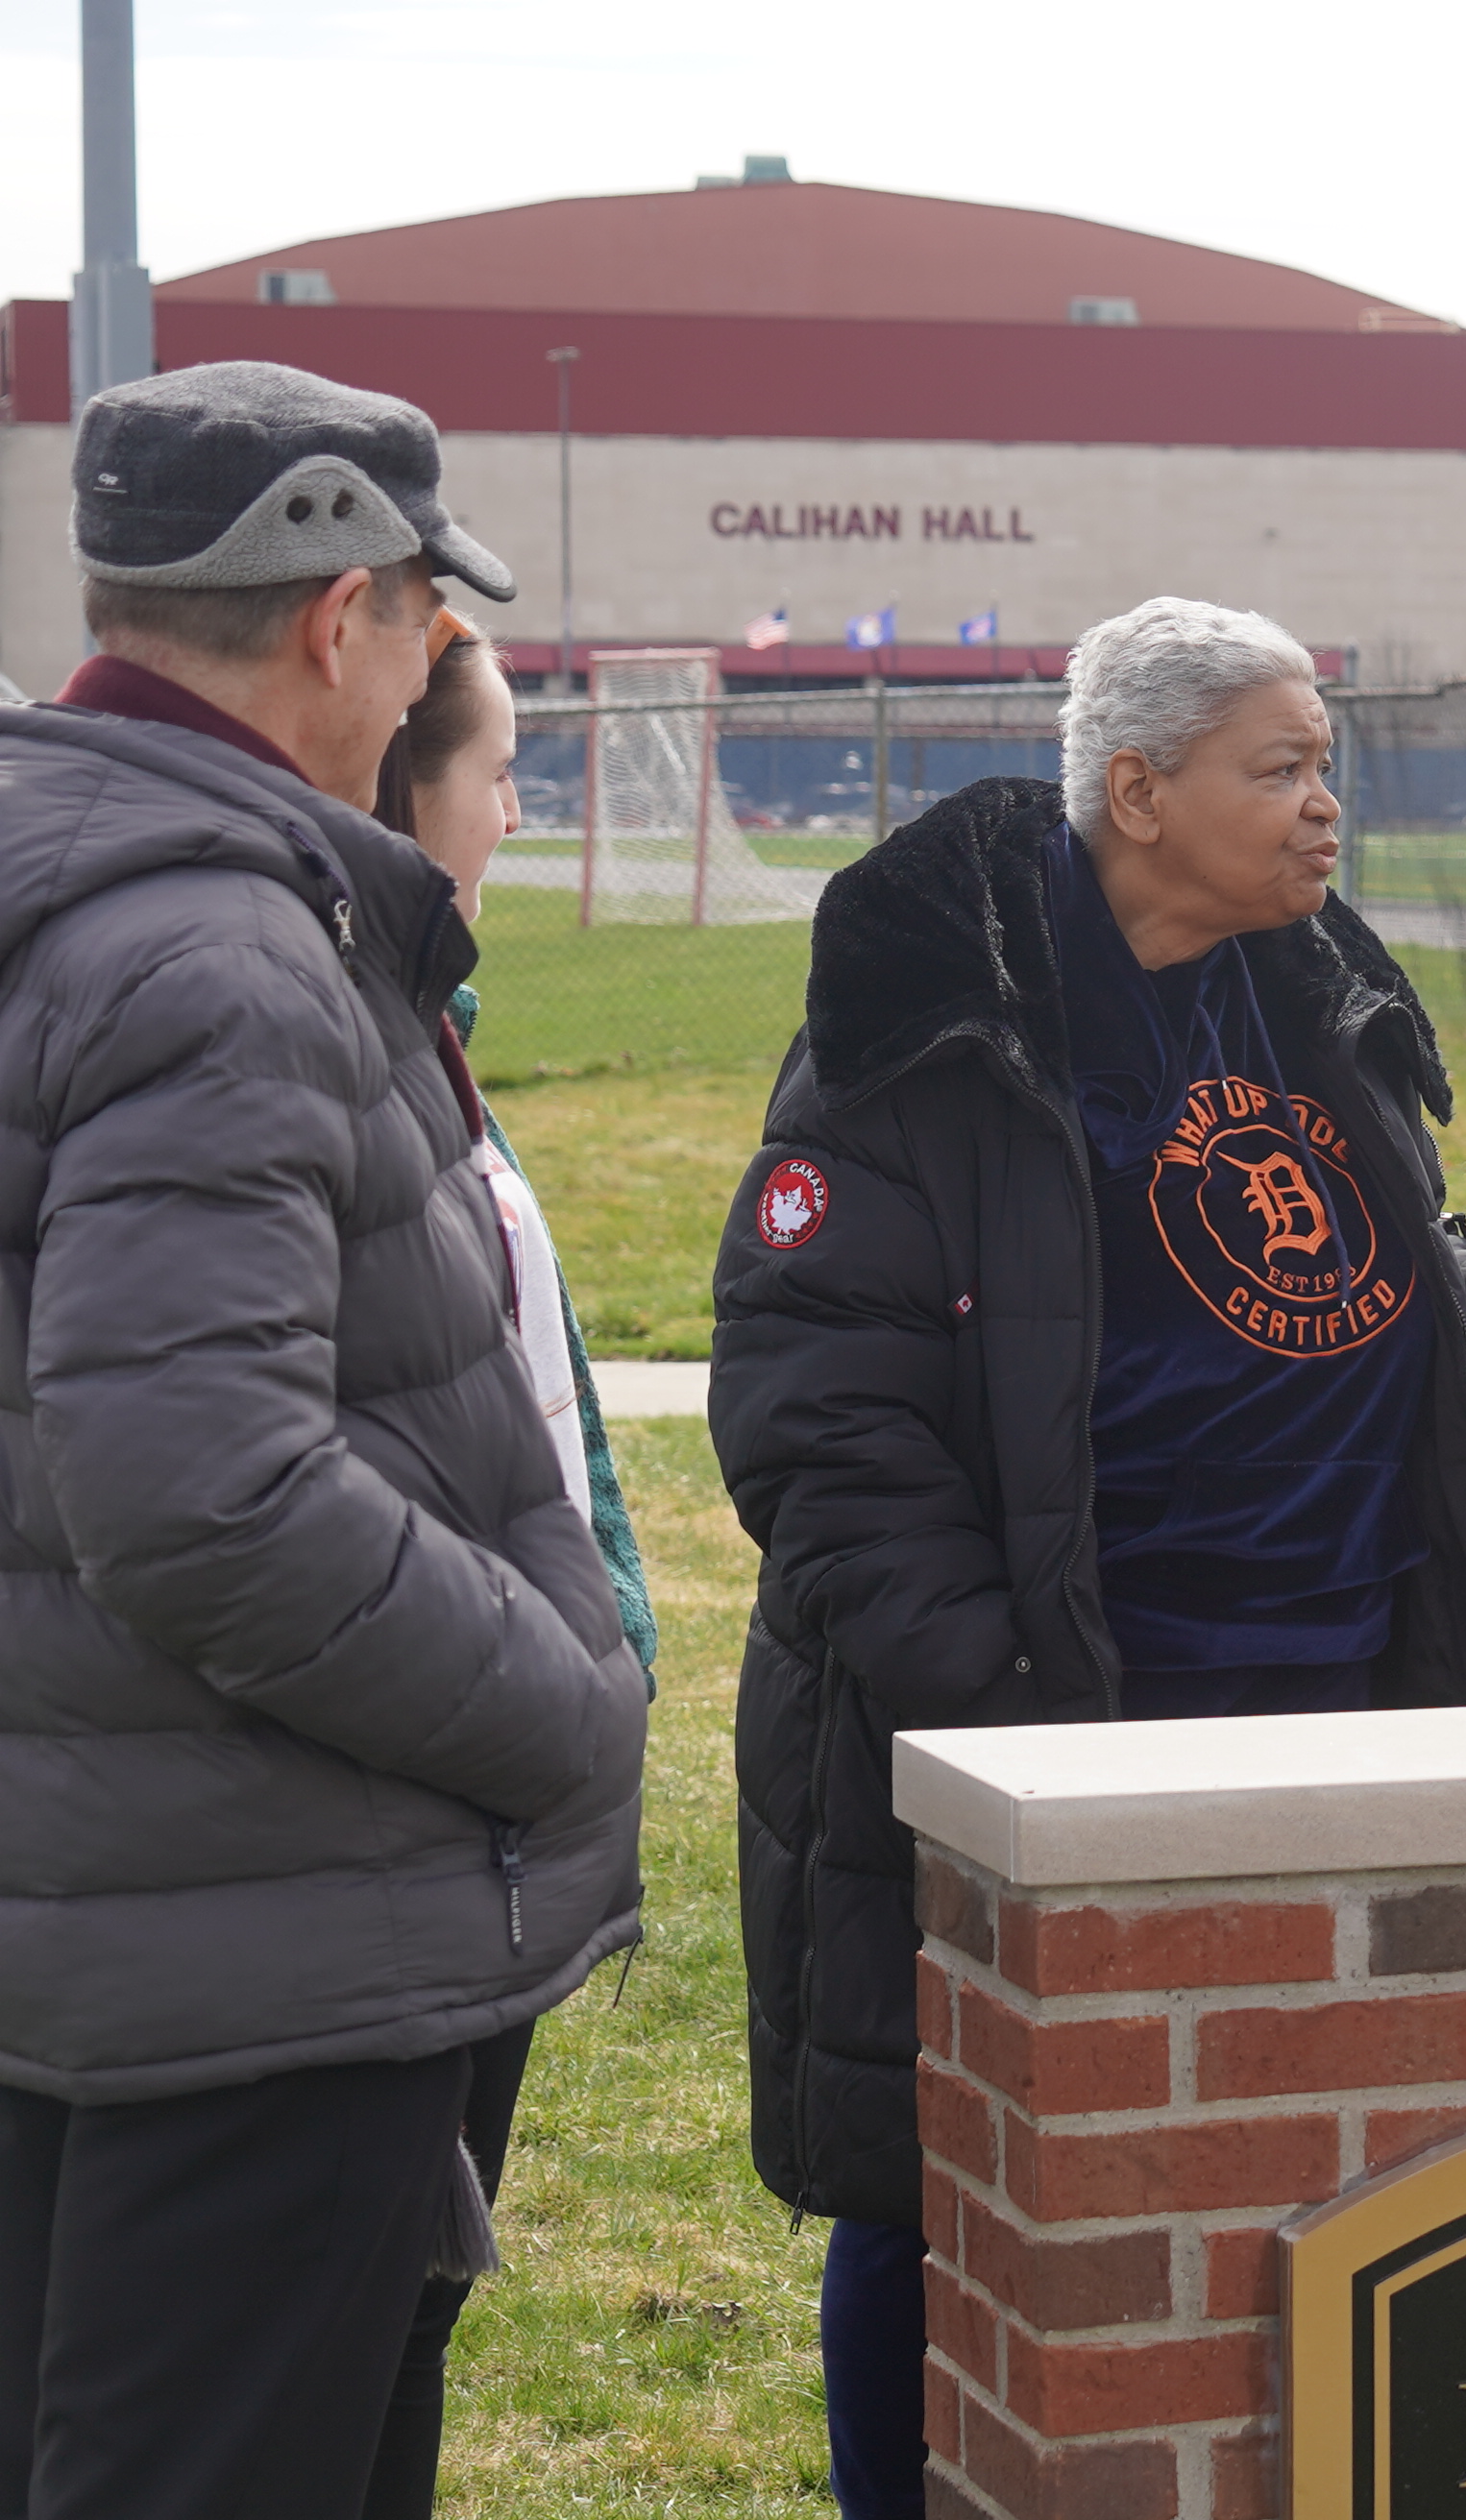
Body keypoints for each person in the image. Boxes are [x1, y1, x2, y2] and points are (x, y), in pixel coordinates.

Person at [709, 595, 1466, 2515]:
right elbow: (819, 1423)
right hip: (1068, 1733)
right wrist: (1024, 1720)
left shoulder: (1305, 993)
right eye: (1277, 769)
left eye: (1325, 767)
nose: (1323, 811)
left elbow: (1336, 1287)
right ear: (1137, 789)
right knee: (958, 2192)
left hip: (1343, 1707)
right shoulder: (930, 1028)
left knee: (1302, 2168)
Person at [0, 363, 649, 2514]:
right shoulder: (219, 950)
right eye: (421, 623)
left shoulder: (91, 892)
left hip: (116, 1912)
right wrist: (568, 1702)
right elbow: (200, 1488)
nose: (420, 671)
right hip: (253, 1969)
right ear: (332, 613)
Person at [357, 615, 663, 2520]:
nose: (520, 803)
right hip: (404, 1824)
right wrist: (562, 1691)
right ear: (407, 785)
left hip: (485, 1809)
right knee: (342, 2355)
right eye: (498, 768)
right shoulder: (328, 1049)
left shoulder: (425, 1038)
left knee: (402, 2341)